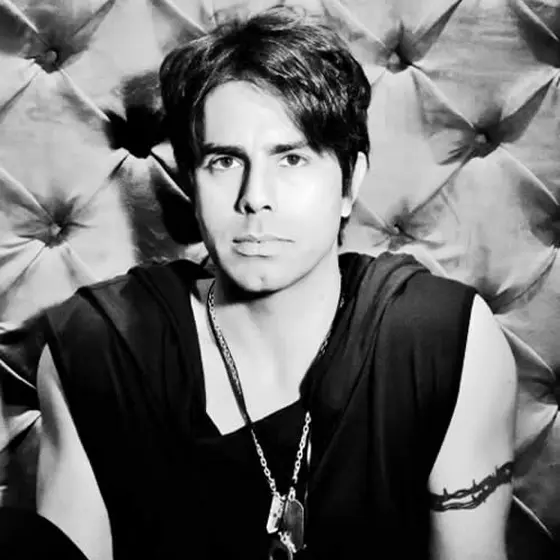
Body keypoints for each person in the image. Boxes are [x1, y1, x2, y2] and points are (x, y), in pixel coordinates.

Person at [34, 6, 517, 560]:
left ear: (349, 183)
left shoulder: (442, 344)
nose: (255, 197)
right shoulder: (97, 347)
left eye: (291, 159)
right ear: (191, 182)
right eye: (224, 162)